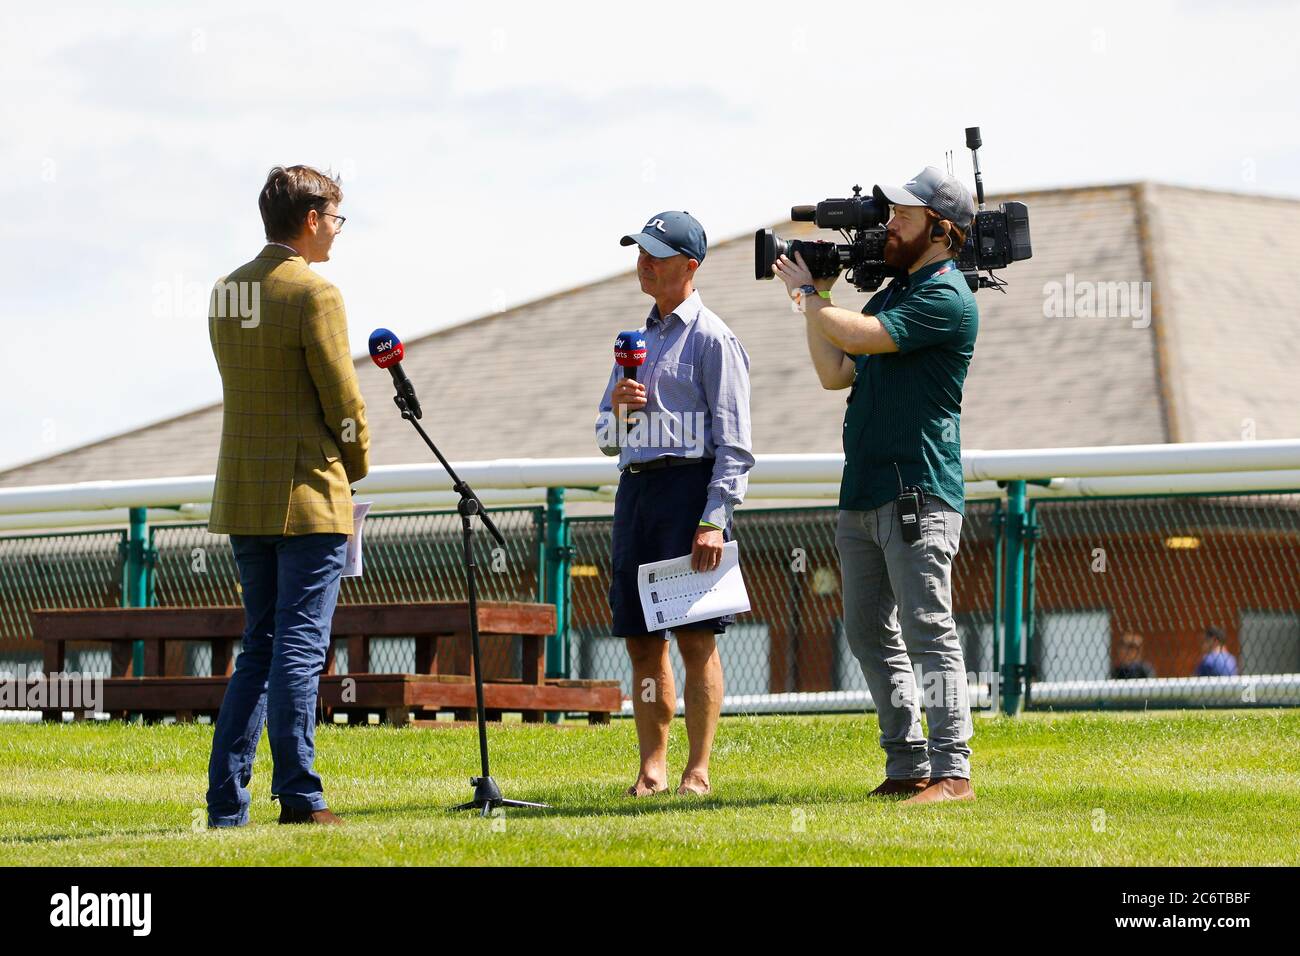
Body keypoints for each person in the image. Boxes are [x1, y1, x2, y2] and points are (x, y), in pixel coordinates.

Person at [772, 166, 978, 805]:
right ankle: (907, 763)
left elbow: (863, 336)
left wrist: (814, 297)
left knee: (927, 629)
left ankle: (952, 771)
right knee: (866, 631)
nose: (890, 224)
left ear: (941, 230)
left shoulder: (946, 296)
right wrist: (819, 296)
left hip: (917, 491)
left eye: (904, 216)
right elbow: (835, 371)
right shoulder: (894, 293)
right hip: (864, 491)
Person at [205, 165, 369, 827]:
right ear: (311, 218)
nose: (337, 229)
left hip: (245, 492)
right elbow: (343, 400)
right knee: (301, 648)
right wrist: (354, 462)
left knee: (261, 648)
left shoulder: (225, 292)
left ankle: (226, 803)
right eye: (336, 217)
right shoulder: (315, 293)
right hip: (308, 495)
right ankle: (301, 798)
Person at [595, 211, 754, 796]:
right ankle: (651, 766)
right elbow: (604, 437)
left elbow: (735, 445)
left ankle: (699, 769)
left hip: (691, 495)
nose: (644, 263)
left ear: (690, 266)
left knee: (695, 638)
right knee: (641, 642)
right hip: (636, 492)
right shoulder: (631, 343)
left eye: (657, 254)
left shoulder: (714, 338)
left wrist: (714, 519)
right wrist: (617, 410)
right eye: (640, 252)